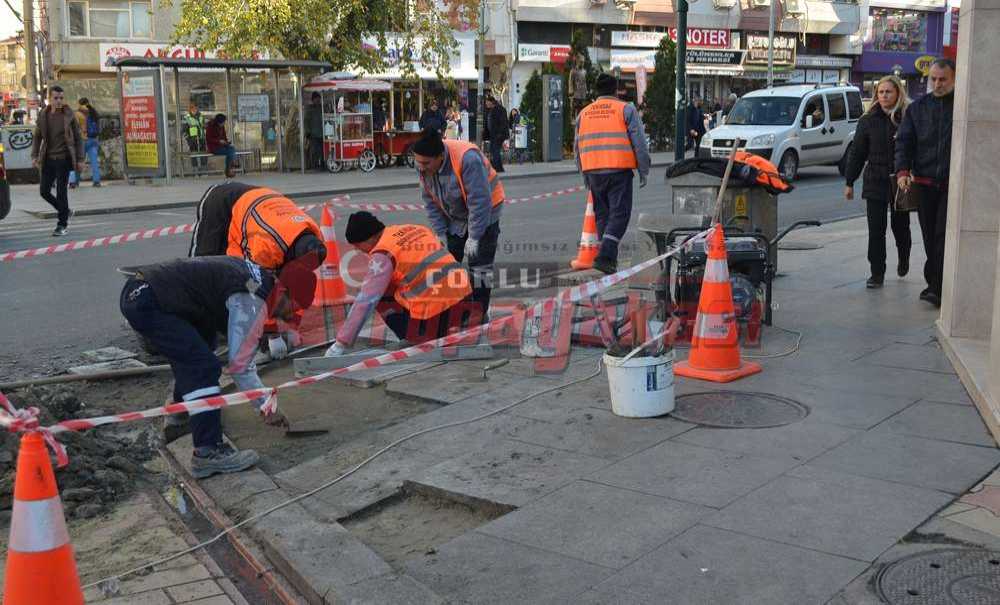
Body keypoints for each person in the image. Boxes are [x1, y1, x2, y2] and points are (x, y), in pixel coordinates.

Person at [120, 255, 317, 478]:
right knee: (203, 366)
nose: (290, 315)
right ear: (283, 291)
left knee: (201, 347)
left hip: (153, 293)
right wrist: (266, 408)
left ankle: (180, 411)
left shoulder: (257, 278)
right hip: (151, 300)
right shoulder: (252, 297)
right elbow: (240, 366)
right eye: (293, 307)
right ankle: (208, 451)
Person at [324, 212, 477, 357]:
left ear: (368, 239)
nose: (358, 250)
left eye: (357, 245)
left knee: (380, 295)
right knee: (398, 283)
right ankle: (458, 323)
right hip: (467, 301)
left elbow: (366, 301)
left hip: (437, 316)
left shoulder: (383, 254)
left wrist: (341, 343)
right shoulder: (415, 228)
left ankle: (415, 338)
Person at [410, 129, 503, 318]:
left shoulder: (467, 159)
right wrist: (440, 233)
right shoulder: (424, 165)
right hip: (455, 216)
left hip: (485, 212)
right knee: (446, 263)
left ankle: (478, 315)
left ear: (440, 156)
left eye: (426, 163)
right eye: (417, 162)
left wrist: (475, 237)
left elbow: (480, 202)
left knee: (479, 269)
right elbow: (430, 200)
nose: (420, 167)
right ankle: (450, 311)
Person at [575, 73, 651, 275]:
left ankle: (609, 260)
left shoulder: (584, 113)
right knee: (619, 214)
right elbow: (640, 143)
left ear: (596, 90)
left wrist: (584, 174)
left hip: (593, 171)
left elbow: (577, 147)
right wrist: (643, 170)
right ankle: (605, 255)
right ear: (616, 89)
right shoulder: (626, 109)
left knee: (603, 215)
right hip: (618, 170)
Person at [895, 58, 955, 308]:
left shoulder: (962, 106)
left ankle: (938, 289)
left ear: (953, 79)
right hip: (925, 181)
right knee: (930, 237)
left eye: (943, 79)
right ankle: (934, 283)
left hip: (952, 184)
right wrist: (902, 171)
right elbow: (904, 142)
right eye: (934, 79)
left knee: (942, 237)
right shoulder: (918, 108)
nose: (938, 84)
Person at [845, 75, 911, 289]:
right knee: (876, 230)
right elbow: (857, 152)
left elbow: (914, 148)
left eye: (888, 92)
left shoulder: (907, 118)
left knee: (900, 226)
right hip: (874, 180)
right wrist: (849, 181)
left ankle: (904, 256)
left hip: (899, 181)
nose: (883, 96)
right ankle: (877, 273)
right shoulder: (867, 120)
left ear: (897, 94)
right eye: (880, 92)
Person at [31, 86, 83, 237]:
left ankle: (62, 224)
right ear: (49, 99)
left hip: (64, 159)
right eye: (56, 98)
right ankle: (65, 211)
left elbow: (79, 138)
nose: (59, 101)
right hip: (48, 159)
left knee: (61, 192)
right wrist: (34, 156)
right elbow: (37, 137)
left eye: (61, 98)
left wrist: (80, 159)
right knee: (44, 191)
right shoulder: (43, 115)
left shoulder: (69, 115)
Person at [206, 114, 238, 178]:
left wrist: (226, 142)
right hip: (214, 148)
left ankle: (230, 166)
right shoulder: (210, 127)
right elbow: (209, 139)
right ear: (219, 122)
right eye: (223, 122)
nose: (224, 124)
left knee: (231, 148)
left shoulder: (221, 126)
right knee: (230, 152)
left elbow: (224, 136)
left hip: (222, 145)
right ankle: (230, 167)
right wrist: (219, 141)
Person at [484, 96, 509, 173]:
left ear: (491, 102)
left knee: (495, 150)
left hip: (498, 134)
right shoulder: (491, 110)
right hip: (493, 134)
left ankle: (498, 168)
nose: (486, 104)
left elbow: (503, 122)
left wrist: (500, 134)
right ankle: (496, 167)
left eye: (487, 102)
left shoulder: (500, 109)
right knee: (493, 150)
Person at [184, 101, 207, 172]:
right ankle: (195, 170)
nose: (195, 109)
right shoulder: (187, 117)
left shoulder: (201, 116)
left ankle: (203, 169)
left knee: (203, 153)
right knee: (194, 153)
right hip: (192, 138)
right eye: (193, 108)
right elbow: (184, 129)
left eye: (196, 107)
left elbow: (204, 126)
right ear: (190, 109)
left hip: (201, 137)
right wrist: (188, 138)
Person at [304, 92, 324, 171]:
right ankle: (314, 165)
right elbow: (306, 121)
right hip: (313, 134)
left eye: (319, 99)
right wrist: (308, 132)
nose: (318, 100)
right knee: (314, 150)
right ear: (313, 100)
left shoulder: (321, 108)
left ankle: (323, 163)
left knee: (322, 150)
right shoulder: (309, 110)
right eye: (316, 99)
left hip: (322, 133)